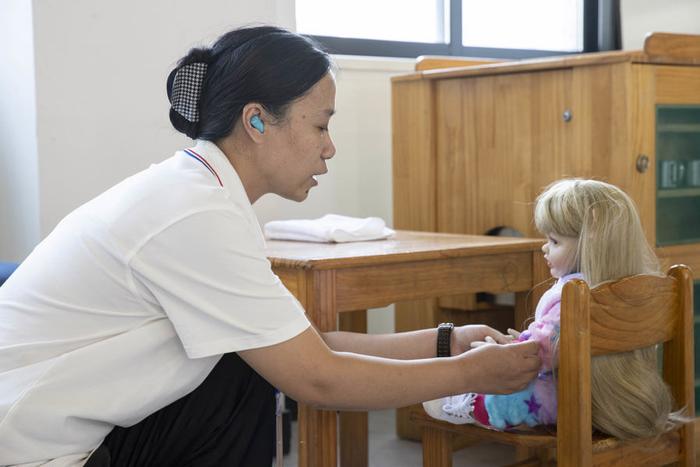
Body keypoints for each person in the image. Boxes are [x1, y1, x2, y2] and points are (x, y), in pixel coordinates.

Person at [0, 25, 541, 466]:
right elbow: (317, 377)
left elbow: (304, 344)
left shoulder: (203, 192)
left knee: (248, 363)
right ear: (256, 120)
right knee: (252, 375)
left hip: (58, 423)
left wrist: (445, 341)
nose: (330, 148)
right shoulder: (194, 214)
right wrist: (475, 373)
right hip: (33, 446)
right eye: (321, 125)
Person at [424, 178, 682, 439]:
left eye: (555, 242)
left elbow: (541, 355)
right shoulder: (637, 287)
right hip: (623, 397)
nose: (544, 247)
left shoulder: (574, 295)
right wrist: (525, 340)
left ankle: (468, 404)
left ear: (589, 243)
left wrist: (504, 351)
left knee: (504, 394)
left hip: (577, 401)